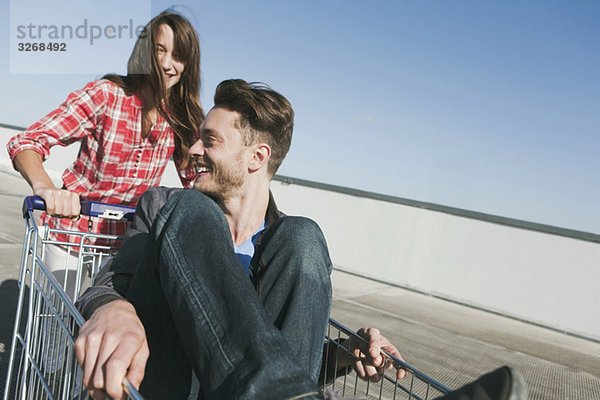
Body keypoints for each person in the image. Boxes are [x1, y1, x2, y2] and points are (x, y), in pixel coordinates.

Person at [75, 79, 526, 400]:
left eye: (209, 141)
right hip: (159, 382)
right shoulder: (166, 205)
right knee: (190, 209)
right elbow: (105, 284)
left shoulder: (286, 247)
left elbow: (282, 357)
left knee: (304, 235)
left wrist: (343, 357)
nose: (192, 150)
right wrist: (115, 308)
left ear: (257, 157)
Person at [6, 10, 203, 296]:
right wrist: (46, 188)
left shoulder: (181, 119)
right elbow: (28, 142)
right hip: (72, 232)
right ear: (145, 52)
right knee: (55, 321)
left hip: (127, 246)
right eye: (160, 50)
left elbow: (197, 183)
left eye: (178, 55)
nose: (167, 63)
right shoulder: (106, 95)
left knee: (111, 328)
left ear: (188, 65)